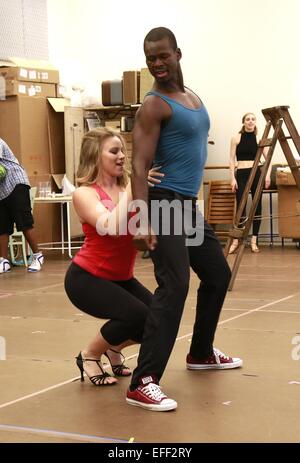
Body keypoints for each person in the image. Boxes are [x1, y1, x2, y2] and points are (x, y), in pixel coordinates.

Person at [126, 27, 242, 412]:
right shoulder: (153, 105)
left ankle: (202, 353)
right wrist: (140, 219)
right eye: (150, 59)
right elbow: (139, 165)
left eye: (162, 56)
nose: (157, 64)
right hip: (162, 204)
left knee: (217, 275)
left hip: (186, 205)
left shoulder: (192, 98)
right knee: (174, 285)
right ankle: (142, 381)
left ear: (178, 53)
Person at [64, 127, 162, 386]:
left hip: (121, 277)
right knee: (136, 315)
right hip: (87, 279)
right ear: (96, 156)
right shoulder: (84, 193)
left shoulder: (129, 188)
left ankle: (113, 349)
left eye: (123, 151)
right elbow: (112, 226)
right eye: (114, 151)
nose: (121, 157)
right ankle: (90, 355)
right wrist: (132, 186)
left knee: (159, 318)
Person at [0, 137, 44, 273]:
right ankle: (3, 260)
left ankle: (38, 256)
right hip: (2, 190)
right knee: (2, 224)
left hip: (16, 183)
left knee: (23, 221)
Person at [229, 112, 270, 254]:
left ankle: (254, 240)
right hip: (241, 174)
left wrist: (267, 176)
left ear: (255, 122)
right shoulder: (236, 138)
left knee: (256, 206)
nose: (250, 121)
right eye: (248, 119)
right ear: (244, 122)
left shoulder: (259, 139)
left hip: (256, 174)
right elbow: (231, 160)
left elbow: (268, 159)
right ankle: (236, 241)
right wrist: (232, 178)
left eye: (253, 119)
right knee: (241, 206)